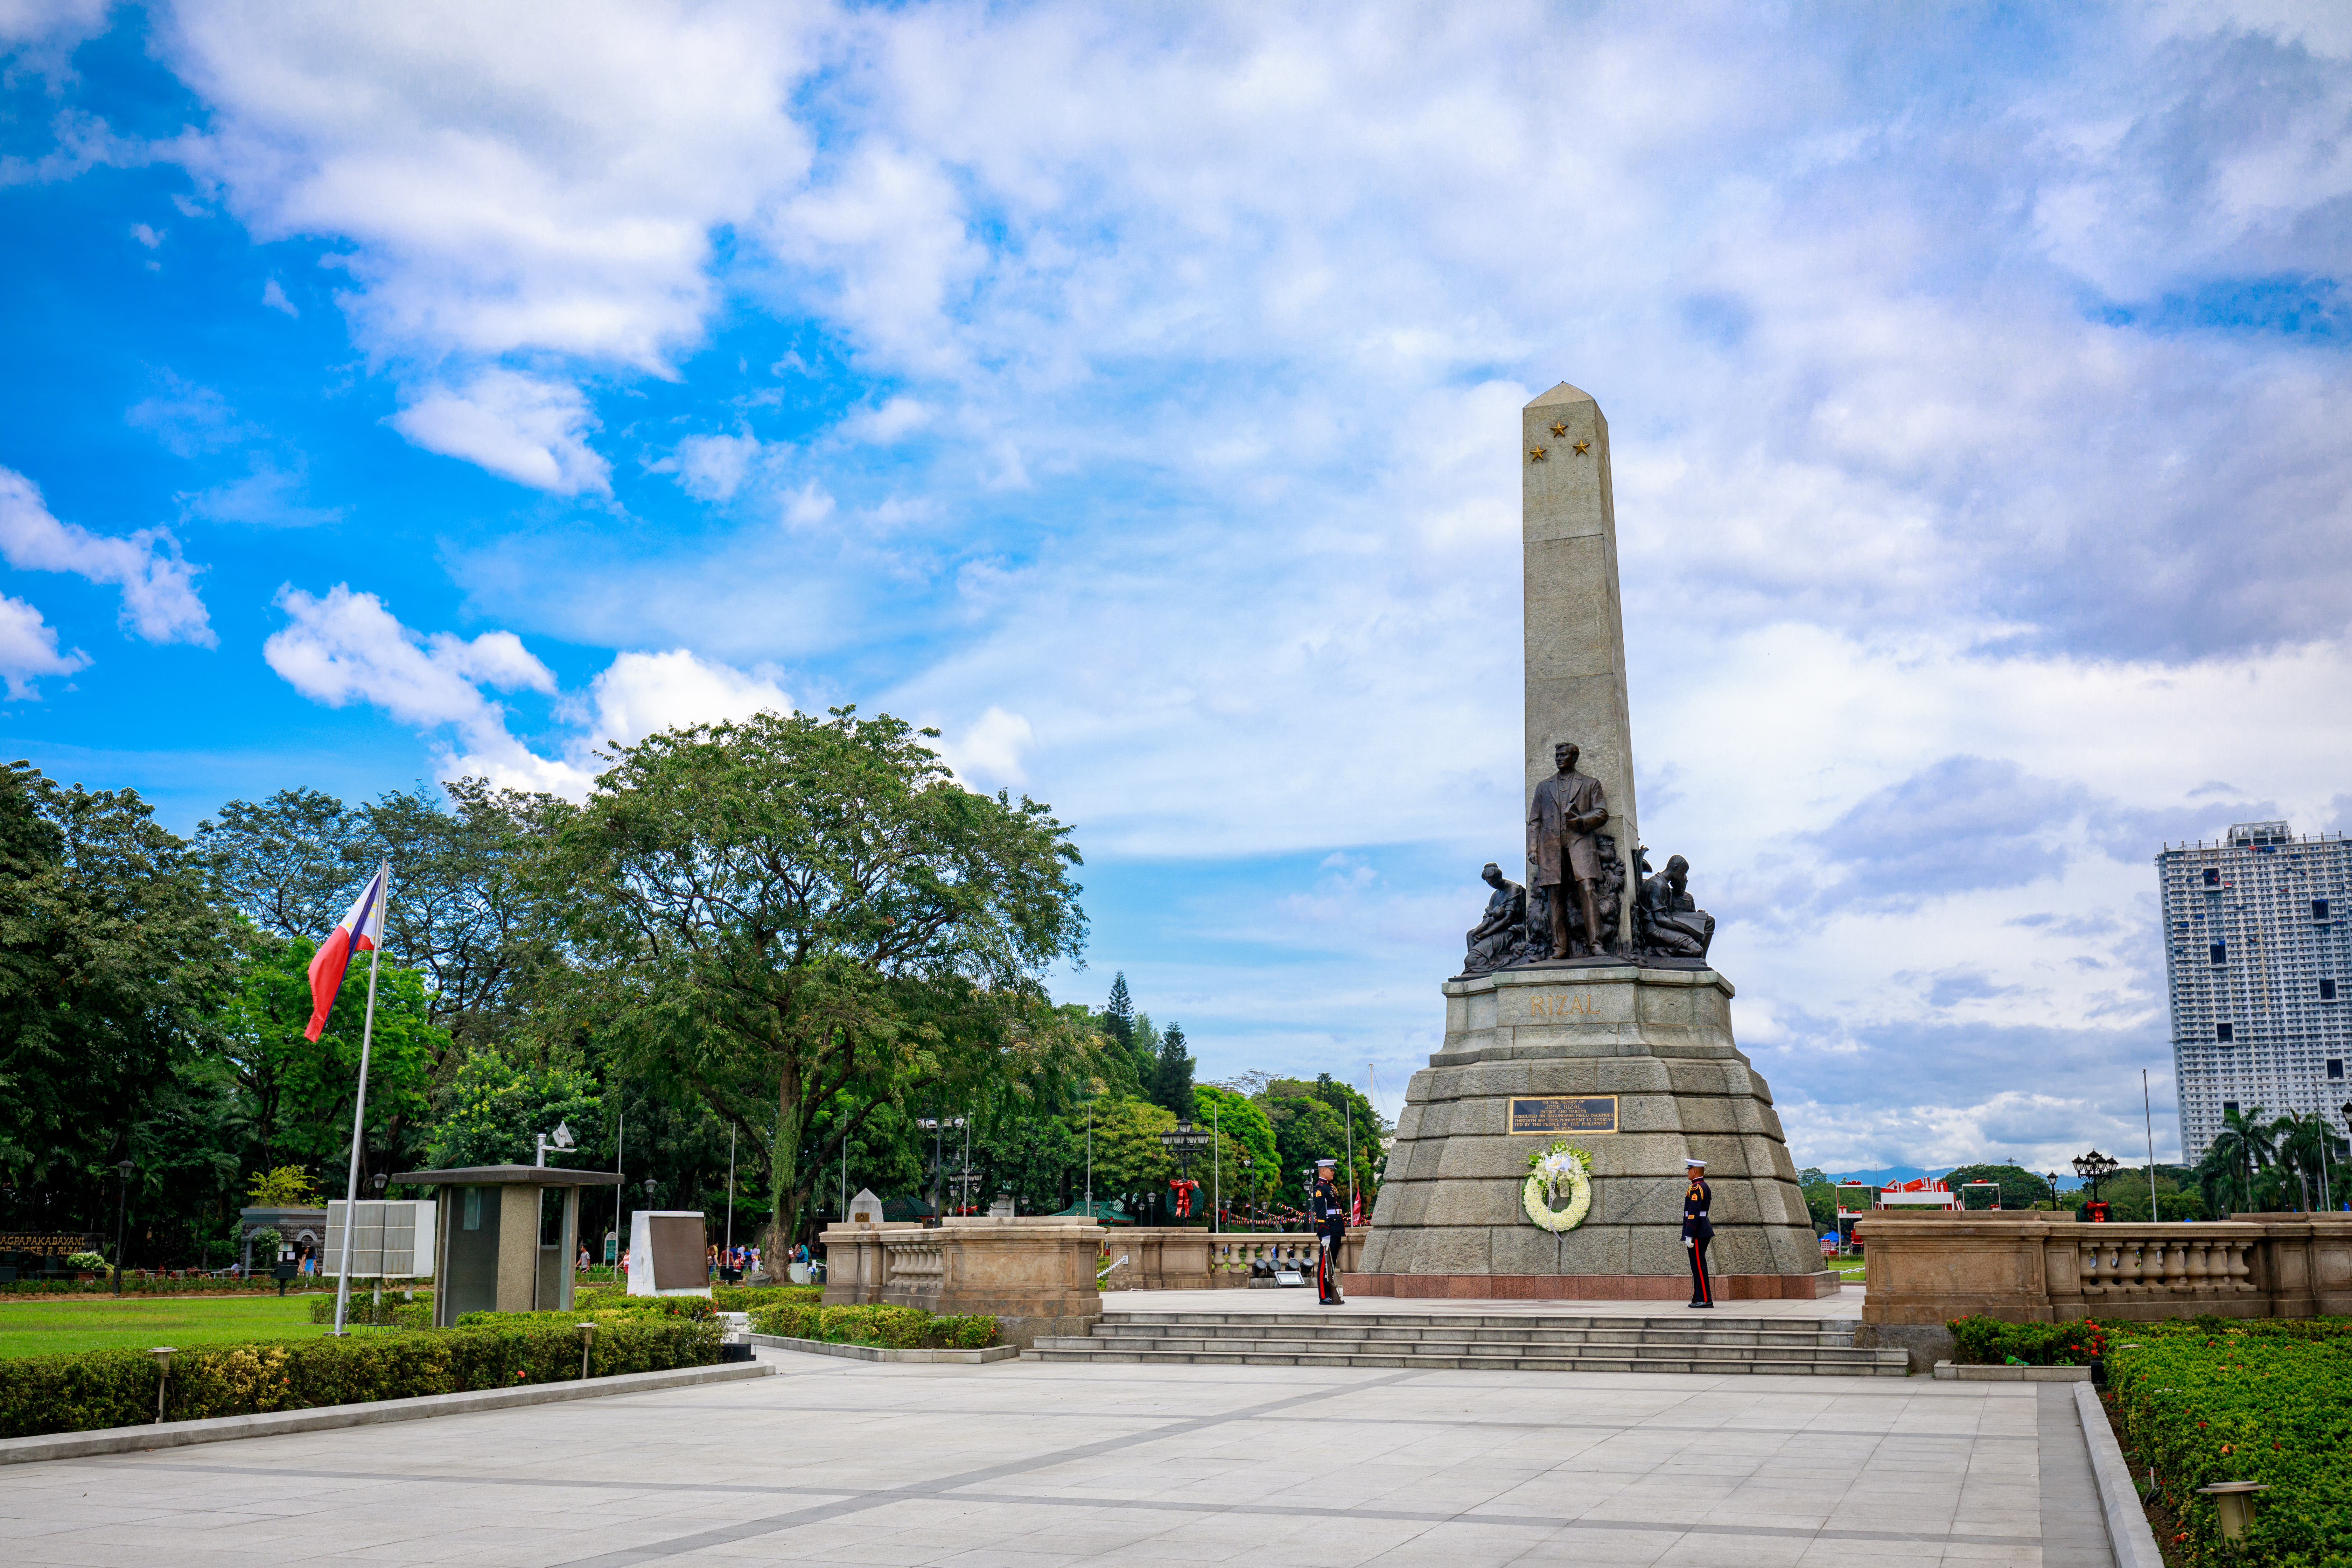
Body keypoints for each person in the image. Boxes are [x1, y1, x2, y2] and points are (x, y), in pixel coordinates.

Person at [1527, 741, 1611, 958]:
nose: (1558, 759)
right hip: (1551, 847)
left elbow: (1602, 813)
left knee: (1588, 889)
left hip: (1580, 844)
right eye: (1557, 755)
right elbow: (1534, 821)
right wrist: (1533, 849)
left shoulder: (1591, 784)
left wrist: (1582, 821)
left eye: (1563, 755)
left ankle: (1596, 944)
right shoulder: (1543, 787)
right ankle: (1560, 947)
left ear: (1574, 758)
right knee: (1554, 894)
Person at [1309, 1160, 1348, 1306]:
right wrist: (1325, 1233)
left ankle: (1331, 1294)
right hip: (1329, 1230)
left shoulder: (1330, 1187)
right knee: (1324, 1264)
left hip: (1336, 1229)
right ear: (1323, 1171)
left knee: (1331, 1264)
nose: (1333, 1172)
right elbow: (1320, 1213)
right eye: (1331, 1170)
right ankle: (1324, 1296)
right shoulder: (1320, 1188)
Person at [1682, 1158, 1714, 1308]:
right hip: (1703, 1229)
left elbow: (1693, 1213)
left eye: (1689, 1170)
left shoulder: (1696, 1188)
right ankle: (1699, 1297)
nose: (1688, 1173)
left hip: (1697, 1232)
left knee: (1699, 1267)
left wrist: (1689, 1234)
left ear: (1695, 1171)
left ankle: (1705, 1300)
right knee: (1698, 1266)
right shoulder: (1704, 1186)